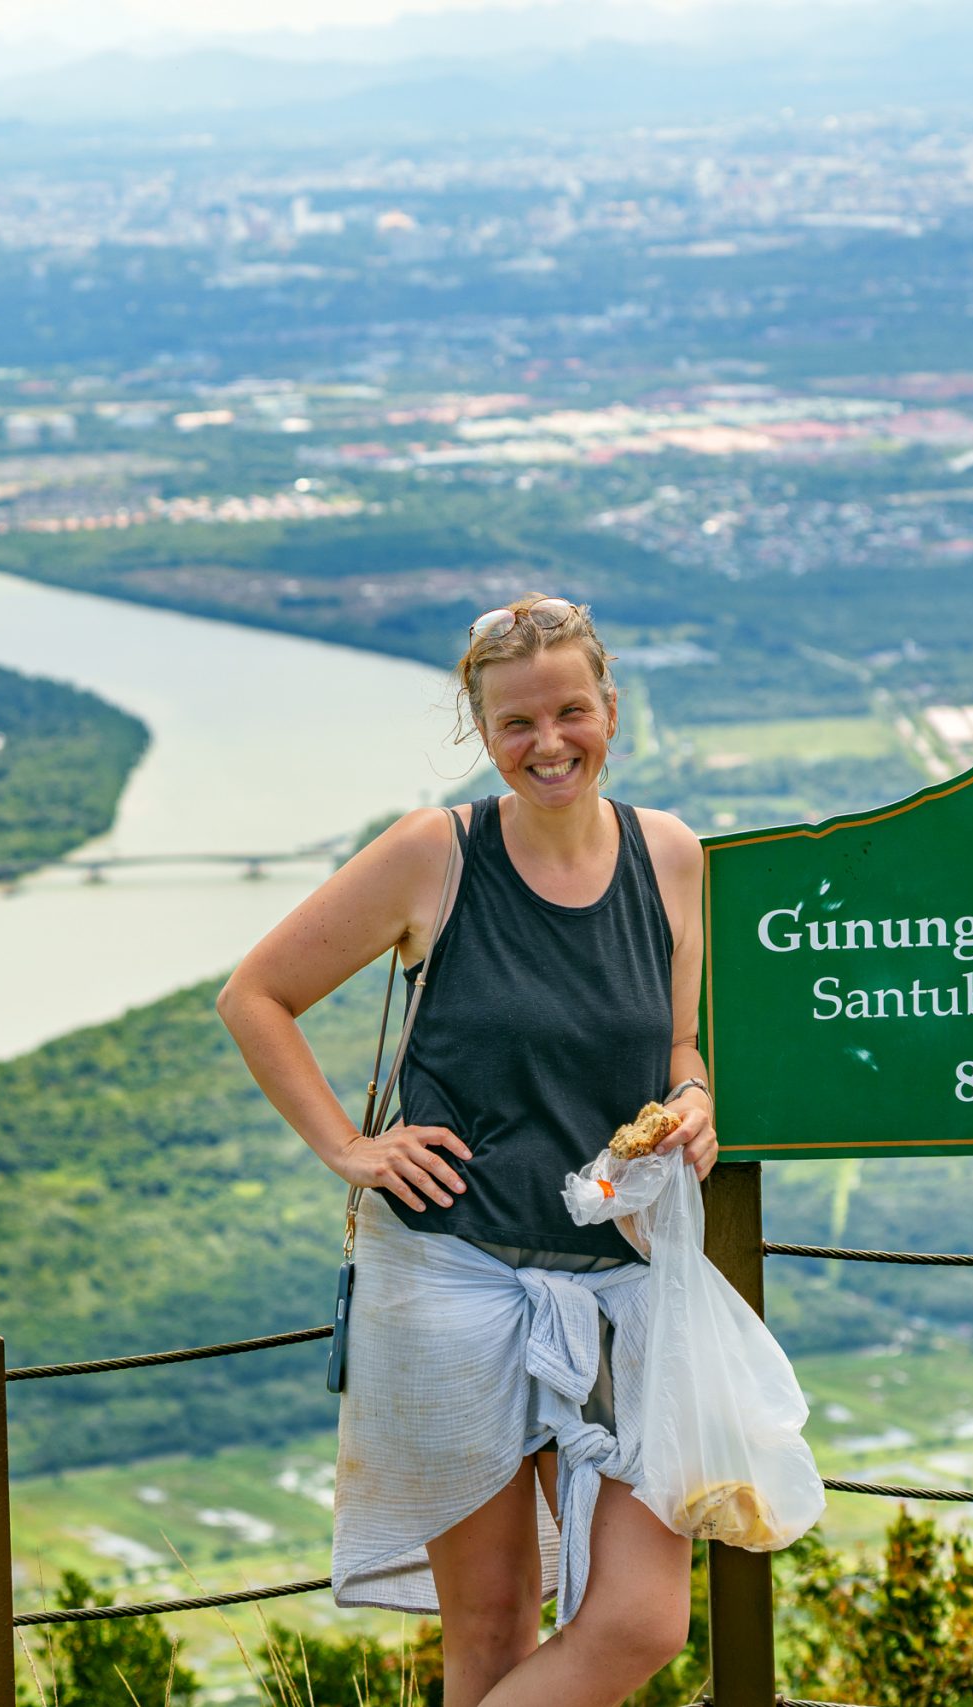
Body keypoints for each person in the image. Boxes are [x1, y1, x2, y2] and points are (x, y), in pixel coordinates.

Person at [216, 594, 717, 1707]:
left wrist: (693, 1100)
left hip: (624, 1284)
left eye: (570, 712)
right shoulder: (431, 856)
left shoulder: (670, 855)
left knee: (642, 1620)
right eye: (516, 723)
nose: (549, 743)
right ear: (482, 732)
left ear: (611, 708)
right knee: (489, 1634)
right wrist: (349, 1147)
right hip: (452, 1278)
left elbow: (679, 1046)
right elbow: (255, 995)